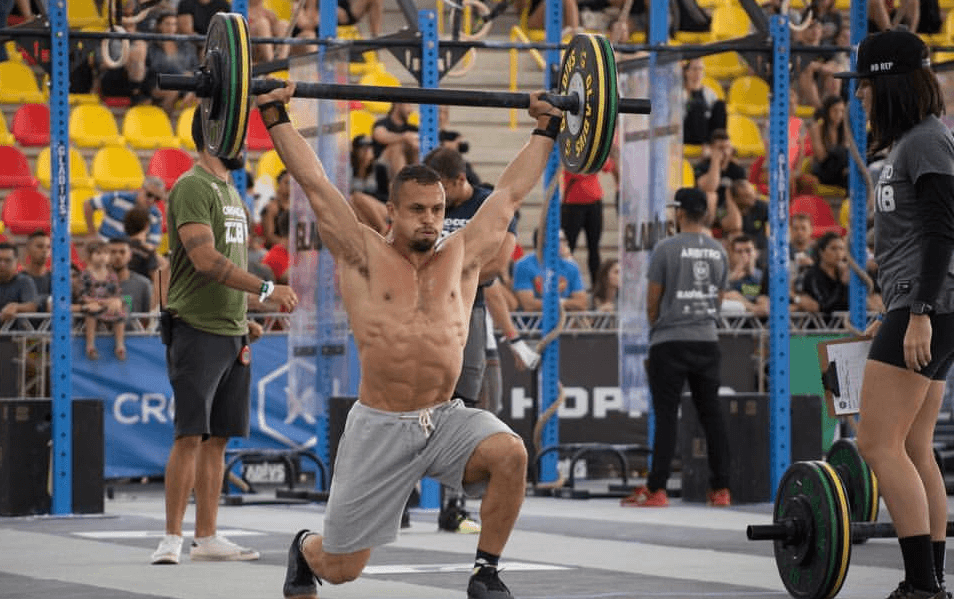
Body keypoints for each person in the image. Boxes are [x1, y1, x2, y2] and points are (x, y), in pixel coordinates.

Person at [256, 82, 556, 599]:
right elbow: (314, 183)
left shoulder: (462, 256)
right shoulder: (361, 254)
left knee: (511, 453)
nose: (430, 220)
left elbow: (509, 194)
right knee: (342, 568)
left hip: (444, 418)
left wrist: (546, 128)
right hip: (380, 426)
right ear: (392, 211)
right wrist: (274, 113)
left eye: (437, 209)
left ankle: (485, 572)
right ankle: (306, 548)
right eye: (417, 210)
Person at [834, 29, 954, 599]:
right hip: (919, 305)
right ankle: (933, 581)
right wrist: (894, 311)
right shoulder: (914, 142)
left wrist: (920, 311)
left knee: (877, 444)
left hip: (930, 307)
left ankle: (921, 586)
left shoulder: (927, 141)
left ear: (889, 85)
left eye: (864, 84)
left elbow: (943, 231)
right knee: (912, 446)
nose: (858, 95)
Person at [150, 110, 298, 566]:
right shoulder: (192, 186)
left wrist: (244, 313)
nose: (244, 143)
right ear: (215, 134)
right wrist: (267, 290)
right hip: (196, 328)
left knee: (218, 440)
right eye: (236, 132)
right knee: (189, 435)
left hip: (232, 330)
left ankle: (207, 536)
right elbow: (206, 261)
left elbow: (226, 269)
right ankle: (170, 538)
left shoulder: (232, 191)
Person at [422, 146, 519, 535]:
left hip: (467, 312)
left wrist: (446, 278)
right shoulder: (428, 206)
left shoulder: (487, 205)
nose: (435, 202)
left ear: (459, 180)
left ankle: (455, 503)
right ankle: (399, 497)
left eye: (442, 191)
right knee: (411, 403)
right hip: (424, 311)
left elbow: (496, 265)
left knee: (463, 406)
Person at [621, 187, 731, 508]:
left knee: (667, 415)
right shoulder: (718, 251)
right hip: (706, 339)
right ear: (705, 214)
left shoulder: (665, 248)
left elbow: (652, 300)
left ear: (679, 212)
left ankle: (657, 489)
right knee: (712, 415)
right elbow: (719, 298)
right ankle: (721, 489)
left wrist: (657, 325)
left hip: (669, 340)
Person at [512, 229, 588, 312]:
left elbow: (581, 303)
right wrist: (566, 304)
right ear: (543, 242)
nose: (564, 243)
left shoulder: (571, 266)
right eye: (559, 240)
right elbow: (529, 304)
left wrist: (557, 303)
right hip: (535, 320)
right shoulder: (524, 265)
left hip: (563, 319)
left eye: (564, 240)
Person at [85, 177, 166, 249]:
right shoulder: (118, 197)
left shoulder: (155, 215)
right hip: (104, 247)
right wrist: (92, 233)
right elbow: (88, 204)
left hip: (130, 254)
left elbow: (153, 243)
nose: (152, 200)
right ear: (141, 189)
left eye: (157, 199)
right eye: (149, 195)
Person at [80, 241, 128, 361]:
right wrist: (100, 302)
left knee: (120, 312)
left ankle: (120, 345)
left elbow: (117, 294)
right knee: (91, 314)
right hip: (93, 305)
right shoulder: (86, 275)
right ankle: (90, 345)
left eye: (105, 253)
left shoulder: (112, 275)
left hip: (108, 306)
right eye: (98, 253)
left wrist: (115, 302)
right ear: (90, 256)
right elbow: (84, 296)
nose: (102, 256)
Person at [144, 11, 199, 114]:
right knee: (173, 91)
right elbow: (153, 69)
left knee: (200, 94)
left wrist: (190, 79)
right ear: (159, 26)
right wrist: (182, 75)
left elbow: (195, 67)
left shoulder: (187, 45)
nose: (171, 27)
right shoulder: (151, 46)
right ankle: (165, 120)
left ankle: (186, 120)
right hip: (159, 82)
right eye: (167, 24)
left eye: (174, 24)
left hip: (185, 82)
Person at [561, 166, 608, 287]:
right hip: (572, 203)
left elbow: (607, 166)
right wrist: (593, 168)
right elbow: (573, 172)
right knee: (568, 247)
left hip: (594, 201)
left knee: (594, 248)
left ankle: (597, 288)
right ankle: (564, 286)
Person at [794, 231, 850, 314]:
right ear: (821, 252)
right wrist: (842, 285)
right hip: (821, 322)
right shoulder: (812, 276)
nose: (838, 253)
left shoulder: (843, 273)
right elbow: (825, 306)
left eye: (841, 249)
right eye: (833, 248)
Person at [348, 134, 391, 234]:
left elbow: (386, 196)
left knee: (357, 197)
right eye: (363, 148)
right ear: (355, 151)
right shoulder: (349, 170)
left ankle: (383, 228)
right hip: (359, 209)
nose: (366, 151)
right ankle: (372, 235)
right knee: (352, 202)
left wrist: (366, 198)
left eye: (369, 148)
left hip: (380, 208)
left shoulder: (379, 169)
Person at [682, 59, 727, 147]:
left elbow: (714, 116)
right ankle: (705, 144)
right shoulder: (680, 92)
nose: (698, 72)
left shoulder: (709, 92)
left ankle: (719, 142)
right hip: (687, 132)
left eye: (700, 69)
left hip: (705, 131)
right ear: (686, 72)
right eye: (694, 69)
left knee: (720, 105)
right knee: (697, 106)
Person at [808, 95, 850, 189]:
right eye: (835, 110)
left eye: (842, 111)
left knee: (850, 178)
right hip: (822, 169)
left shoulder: (844, 129)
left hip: (838, 171)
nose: (839, 115)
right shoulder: (817, 128)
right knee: (840, 152)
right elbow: (821, 157)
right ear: (827, 111)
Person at [108, 237, 154, 317]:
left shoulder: (144, 284)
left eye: (122, 252)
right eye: (113, 252)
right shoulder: (95, 282)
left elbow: (148, 318)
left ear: (130, 255)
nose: (118, 256)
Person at [371, 102, 419, 178]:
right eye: (408, 104)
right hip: (383, 168)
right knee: (397, 147)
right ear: (398, 104)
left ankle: (418, 179)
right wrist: (404, 137)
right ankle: (401, 182)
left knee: (416, 147)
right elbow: (379, 135)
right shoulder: (382, 123)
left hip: (409, 163)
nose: (411, 110)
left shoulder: (412, 128)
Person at [0, 242, 38, 324]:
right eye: (0, 260)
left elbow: (32, 306)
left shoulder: (24, 281)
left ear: (16, 262)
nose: (2, 264)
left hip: (17, 331)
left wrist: (16, 307)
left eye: (7, 260)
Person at [21, 229, 50, 312]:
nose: (45, 251)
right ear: (28, 249)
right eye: (40, 246)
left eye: (48, 247)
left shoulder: (56, 279)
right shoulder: (18, 279)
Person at [261, 170, 291, 250]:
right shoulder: (272, 208)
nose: (290, 186)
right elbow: (269, 237)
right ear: (279, 184)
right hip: (275, 250)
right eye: (287, 183)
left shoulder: (296, 206)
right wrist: (286, 243)